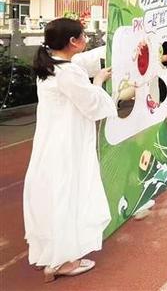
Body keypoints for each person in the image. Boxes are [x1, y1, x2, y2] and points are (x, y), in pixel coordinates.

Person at [25, 18, 116, 282]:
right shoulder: (69, 72)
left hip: (51, 142)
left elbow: (85, 62)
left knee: (53, 195)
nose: (86, 39)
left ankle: (54, 254)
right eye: (83, 36)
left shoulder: (53, 66)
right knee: (69, 193)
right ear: (72, 42)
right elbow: (92, 104)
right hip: (68, 144)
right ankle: (63, 261)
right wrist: (98, 81)